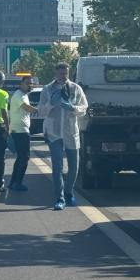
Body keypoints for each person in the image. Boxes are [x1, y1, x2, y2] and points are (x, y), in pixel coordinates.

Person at [38, 63, 88, 210]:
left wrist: (72, 108)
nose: (64, 76)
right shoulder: (48, 89)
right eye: (61, 74)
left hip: (70, 132)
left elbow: (84, 109)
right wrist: (52, 103)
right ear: (56, 74)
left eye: (66, 73)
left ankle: (68, 192)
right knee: (57, 167)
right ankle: (59, 198)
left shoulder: (75, 89)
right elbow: (41, 111)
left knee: (74, 167)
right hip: (54, 133)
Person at [8, 75, 37, 191]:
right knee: (25, 157)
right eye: (28, 83)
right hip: (20, 131)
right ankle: (17, 182)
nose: (30, 85)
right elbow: (26, 108)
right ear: (22, 84)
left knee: (20, 157)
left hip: (18, 130)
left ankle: (13, 182)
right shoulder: (19, 95)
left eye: (31, 83)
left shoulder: (22, 95)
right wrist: (41, 110)